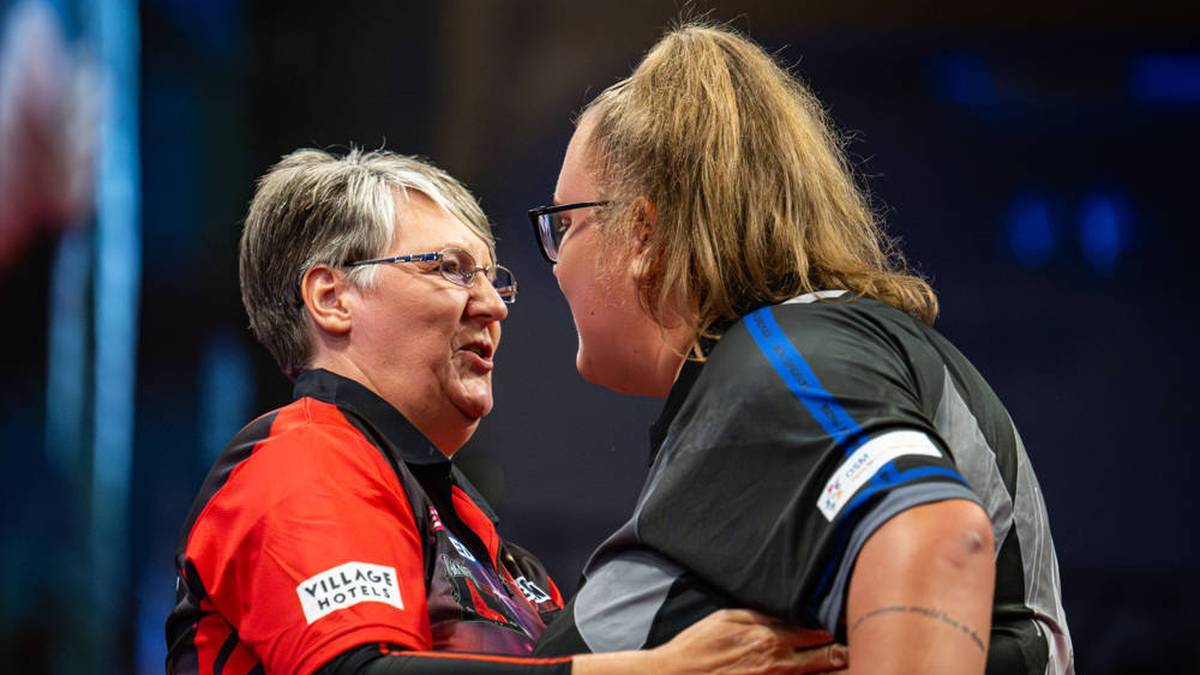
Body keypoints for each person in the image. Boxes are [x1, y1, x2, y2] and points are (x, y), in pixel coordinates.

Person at [164, 148, 848, 675]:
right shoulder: (303, 457)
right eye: (452, 269)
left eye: (494, 278)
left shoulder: (482, 540)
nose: (492, 304)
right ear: (332, 297)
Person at [528, 23, 1074, 675]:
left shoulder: (783, 362)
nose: (556, 265)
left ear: (643, 233)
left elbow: (935, 533)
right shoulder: (769, 366)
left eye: (565, 224)